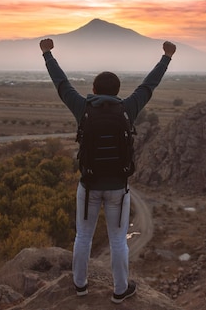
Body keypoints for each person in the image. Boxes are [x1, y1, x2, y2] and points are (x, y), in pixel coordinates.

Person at [39, 37, 176, 303]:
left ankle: (80, 285)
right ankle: (120, 290)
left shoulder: (84, 109)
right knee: (117, 240)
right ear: (117, 91)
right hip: (118, 189)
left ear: (93, 89)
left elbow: (61, 84)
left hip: (88, 187)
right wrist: (166, 58)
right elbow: (149, 85)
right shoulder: (128, 109)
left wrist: (47, 54)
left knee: (83, 236)